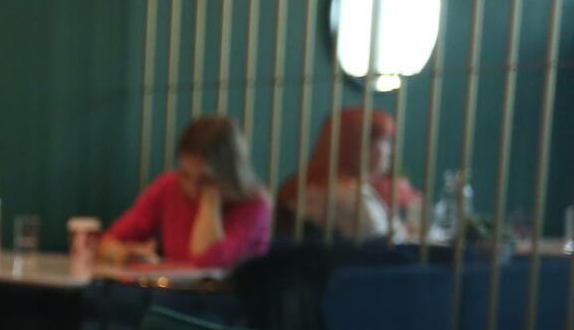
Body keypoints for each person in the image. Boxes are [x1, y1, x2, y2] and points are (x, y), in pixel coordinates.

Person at [98, 116, 271, 268]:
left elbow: (207, 260)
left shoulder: (255, 205)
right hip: (174, 291)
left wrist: (209, 201)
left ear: (229, 176)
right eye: (185, 175)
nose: (192, 187)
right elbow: (110, 239)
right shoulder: (169, 186)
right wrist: (123, 254)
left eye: (205, 180)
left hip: (226, 293)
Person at [276, 108, 422, 243]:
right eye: (385, 141)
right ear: (359, 147)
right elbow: (386, 243)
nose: (391, 150)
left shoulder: (338, 187)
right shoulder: (344, 195)